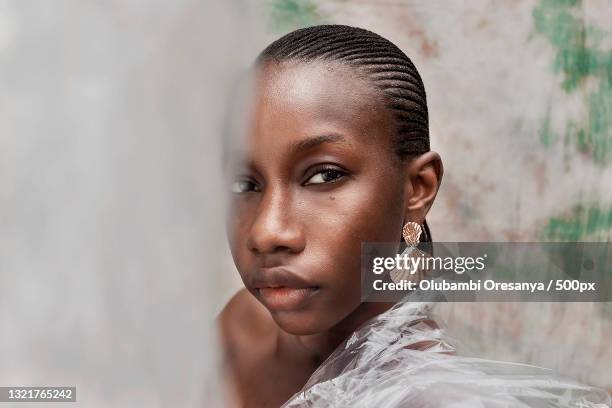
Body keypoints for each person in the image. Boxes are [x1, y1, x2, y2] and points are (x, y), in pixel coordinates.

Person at [218, 25, 611, 408]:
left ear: (418, 188)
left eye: (325, 175)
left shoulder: (433, 398)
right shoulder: (243, 328)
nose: (266, 231)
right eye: (244, 184)